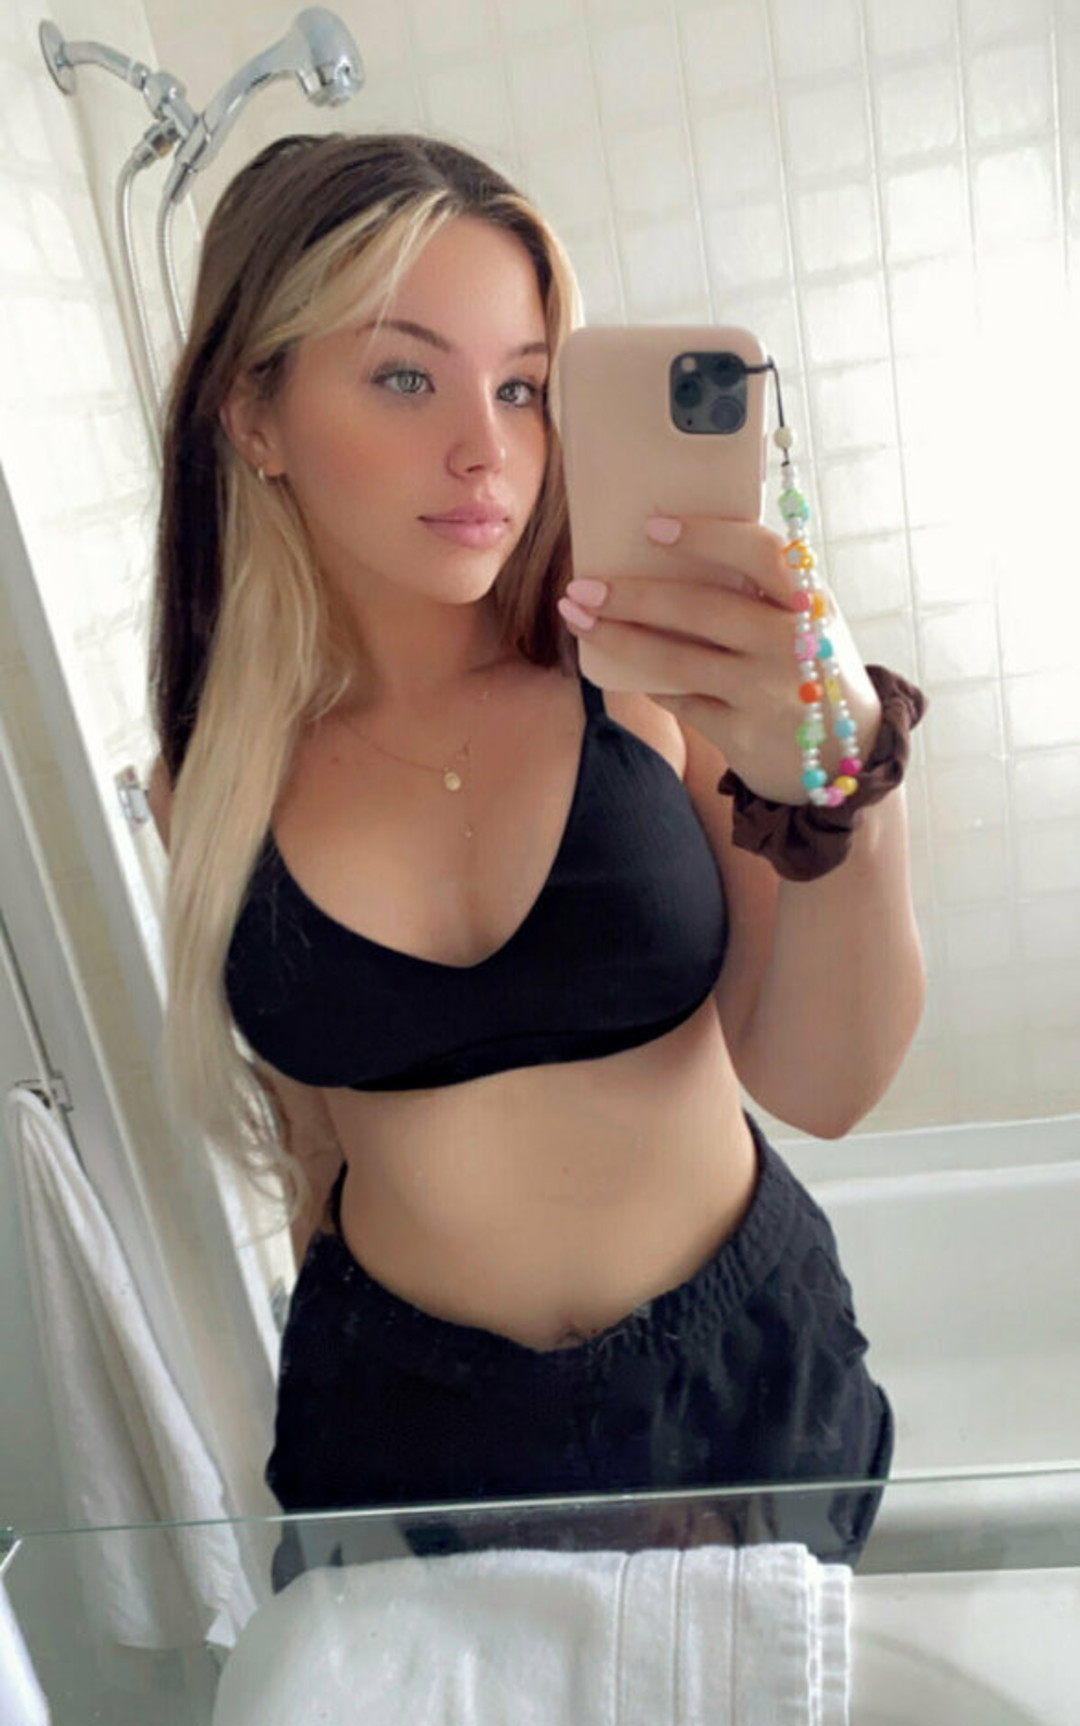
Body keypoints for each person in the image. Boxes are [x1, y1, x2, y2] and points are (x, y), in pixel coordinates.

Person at [147, 132, 927, 1572]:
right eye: (406, 377)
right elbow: (314, 1148)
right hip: (405, 1421)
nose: (487, 450)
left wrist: (841, 779)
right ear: (255, 414)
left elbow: (827, 1086)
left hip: (736, 1391)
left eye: (521, 386)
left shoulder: (647, 691)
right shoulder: (210, 786)